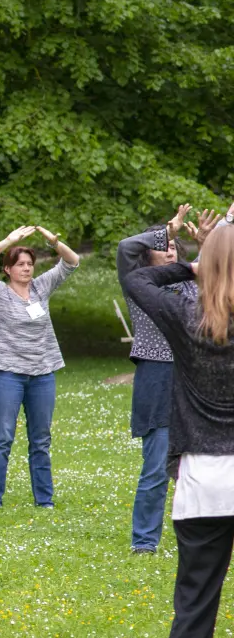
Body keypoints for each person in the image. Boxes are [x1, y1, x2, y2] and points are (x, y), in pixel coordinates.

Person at [122, 226, 234, 638]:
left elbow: (139, 278)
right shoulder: (191, 315)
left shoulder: (185, 316)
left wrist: (191, 268)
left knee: (194, 608)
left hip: (205, 480)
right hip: (207, 473)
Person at [116, 206, 212, 554]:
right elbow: (125, 247)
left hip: (193, 379)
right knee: (156, 467)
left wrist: (206, 241)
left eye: (174, 244)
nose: (170, 247)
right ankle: (144, 542)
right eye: (163, 245)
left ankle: (201, 540)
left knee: (201, 466)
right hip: (157, 378)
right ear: (149, 254)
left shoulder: (190, 283)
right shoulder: (139, 288)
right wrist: (168, 229)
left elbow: (208, 270)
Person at [0, 225, 81, 508]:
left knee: (41, 440)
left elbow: (72, 261)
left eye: (30, 264)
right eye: (20, 264)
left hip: (43, 373)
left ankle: (44, 501)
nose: (27, 269)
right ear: (7, 269)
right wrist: (8, 241)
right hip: (7, 374)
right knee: (3, 437)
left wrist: (54, 241)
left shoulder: (41, 288)